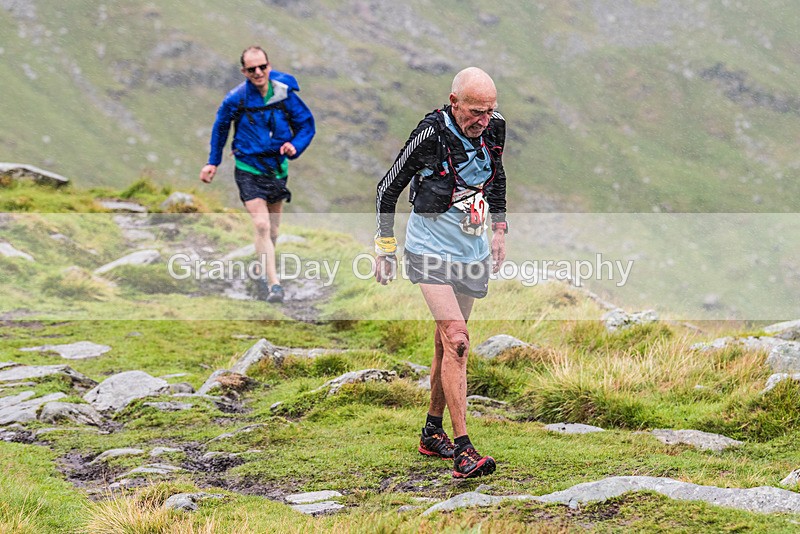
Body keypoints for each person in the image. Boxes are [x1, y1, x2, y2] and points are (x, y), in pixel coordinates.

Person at [374, 67, 507, 478]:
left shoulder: (495, 128)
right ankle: (465, 450)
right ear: (454, 102)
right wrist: (385, 246)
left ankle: (432, 431)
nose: (482, 121)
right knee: (459, 340)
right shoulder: (431, 134)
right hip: (428, 248)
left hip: (471, 248)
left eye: (489, 111)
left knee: (445, 347)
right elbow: (387, 188)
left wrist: (499, 227)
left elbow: (497, 174)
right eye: (474, 111)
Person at [200, 45, 315, 303]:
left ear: (269, 66)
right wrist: (213, 162)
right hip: (248, 168)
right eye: (252, 69)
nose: (258, 72)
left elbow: (307, 125)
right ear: (244, 71)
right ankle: (274, 284)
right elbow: (220, 128)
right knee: (261, 225)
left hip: (276, 169)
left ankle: (263, 269)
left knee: (273, 231)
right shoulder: (236, 99)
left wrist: (295, 146)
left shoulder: (285, 95)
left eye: (262, 67)